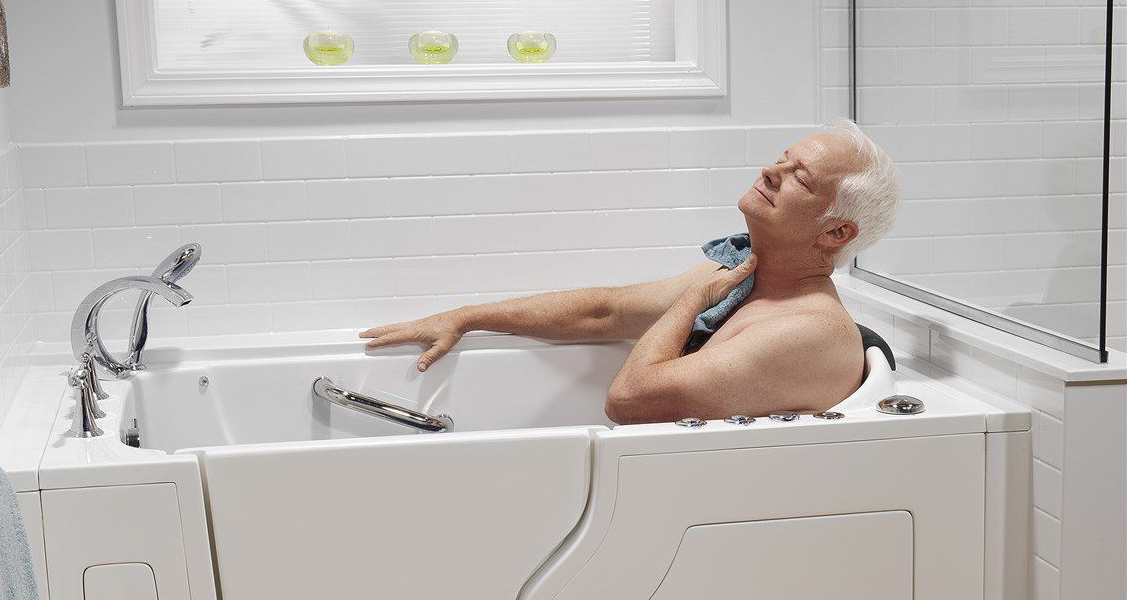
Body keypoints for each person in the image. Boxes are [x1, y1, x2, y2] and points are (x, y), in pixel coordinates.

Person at [359, 119, 899, 423]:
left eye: (800, 177)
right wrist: (467, 317)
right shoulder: (746, 277)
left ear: (836, 233)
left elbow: (630, 400)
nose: (771, 171)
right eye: (781, 158)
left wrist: (692, 301)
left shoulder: (805, 330)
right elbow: (606, 312)